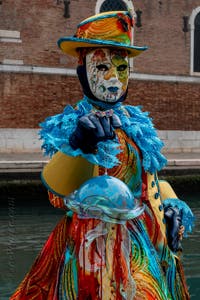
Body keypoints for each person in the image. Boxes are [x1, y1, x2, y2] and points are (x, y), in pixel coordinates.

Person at [11, 10, 194, 300]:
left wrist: (171, 205)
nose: (113, 77)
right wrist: (80, 145)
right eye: (101, 67)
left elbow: (150, 180)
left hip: (144, 239)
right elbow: (58, 194)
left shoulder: (137, 124)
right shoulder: (73, 124)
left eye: (121, 68)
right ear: (82, 71)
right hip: (91, 245)